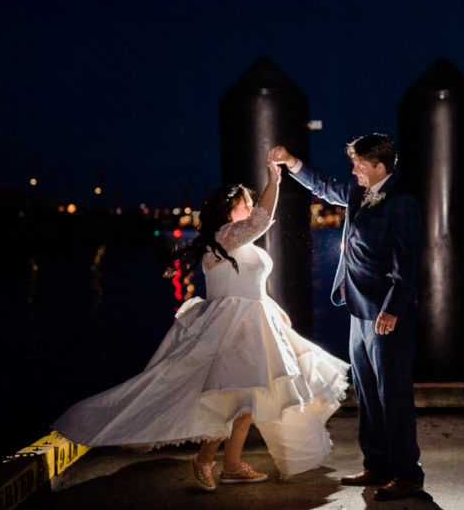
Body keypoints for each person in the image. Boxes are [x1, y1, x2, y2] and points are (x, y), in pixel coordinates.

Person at [52, 161, 349, 490]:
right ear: (227, 210)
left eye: (251, 203)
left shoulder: (240, 243)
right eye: (244, 203)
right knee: (236, 401)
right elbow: (262, 220)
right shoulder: (222, 238)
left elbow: (254, 284)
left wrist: (275, 309)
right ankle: (205, 459)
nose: (250, 207)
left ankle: (231, 465)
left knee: (249, 402)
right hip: (231, 328)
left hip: (256, 325)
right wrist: (273, 180)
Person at [270, 133, 426, 501]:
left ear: (380, 166)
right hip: (358, 309)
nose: (353, 170)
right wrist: (292, 163)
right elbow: (325, 187)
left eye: (359, 164)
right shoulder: (358, 192)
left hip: (386, 314)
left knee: (394, 395)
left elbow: (409, 261)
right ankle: (377, 464)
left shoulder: (402, 201)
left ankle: (407, 475)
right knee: (367, 392)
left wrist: (392, 308)